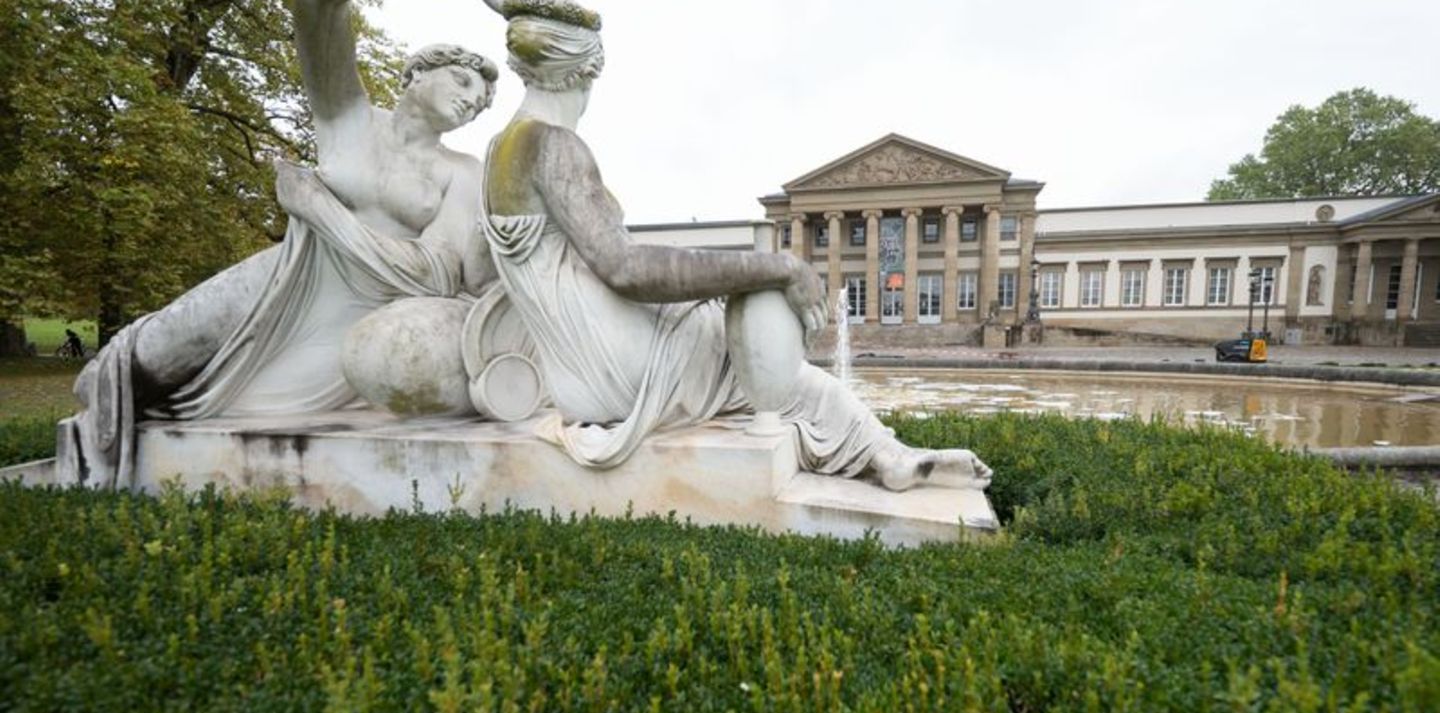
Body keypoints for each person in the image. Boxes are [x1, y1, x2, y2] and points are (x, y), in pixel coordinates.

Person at [477, 0, 991, 491]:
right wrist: (780, 266)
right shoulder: (554, 143)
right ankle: (882, 453)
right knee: (759, 310)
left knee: (747, 346)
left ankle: (882, 451)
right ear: (588, 68)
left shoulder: (499, 150)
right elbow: (625, 268)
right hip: (618, 371)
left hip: (574, 373)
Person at [56, 0, 500, 488]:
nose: (470, 103)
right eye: (463, 82)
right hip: (288, 275)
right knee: (130, 367)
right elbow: (320, 21)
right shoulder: (350, 119)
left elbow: (436, 273)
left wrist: (322, 212)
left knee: (214, 397)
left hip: (351, 318)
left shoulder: (462, 172)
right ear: (418, 72)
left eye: (479, 104)